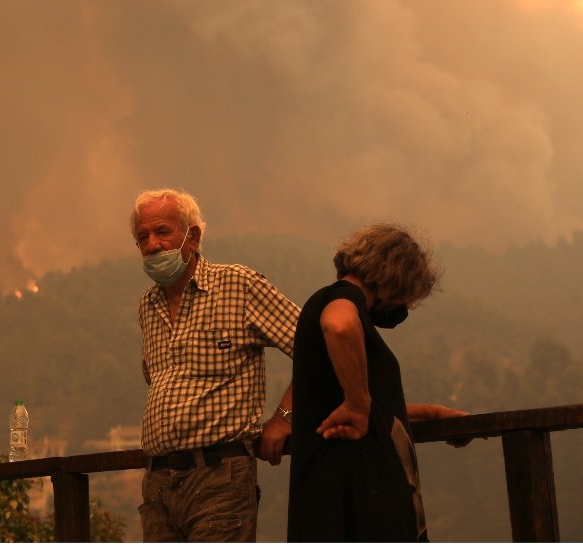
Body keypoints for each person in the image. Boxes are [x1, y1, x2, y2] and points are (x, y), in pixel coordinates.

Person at [131, 188, 298, 542]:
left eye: (162, 231)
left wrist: (284, 417)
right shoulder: (148, 305)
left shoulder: (237, 285)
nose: (152, 245)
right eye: (142, 237)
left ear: (192, 236)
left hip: (219, 478)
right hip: (158, 486)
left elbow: (317, 350)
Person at [288, 223, 467, 542]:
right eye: (409, 295)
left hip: (348, 495)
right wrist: (357, 407)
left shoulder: (335, 302)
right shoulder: (344, 298)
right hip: (356, 496)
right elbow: (339, 326)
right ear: (395, 276)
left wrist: (432, 413)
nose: (405, 307)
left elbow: (372, 407)